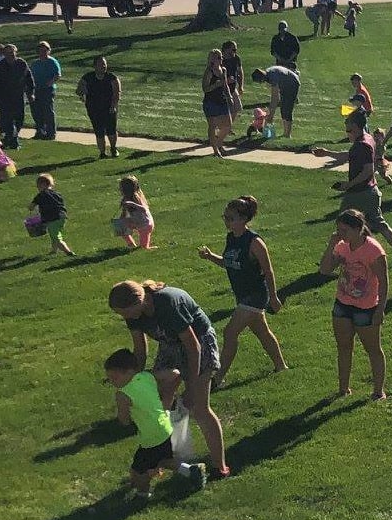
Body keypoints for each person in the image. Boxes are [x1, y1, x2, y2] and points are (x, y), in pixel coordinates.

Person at [108, 278, 229, 478]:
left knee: (199, 408)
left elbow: (193, 347)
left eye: (124, 312)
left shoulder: (168, 304)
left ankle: (220, 466)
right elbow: (139, 349)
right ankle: (162, 457)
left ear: (137, 302)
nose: (123, 317)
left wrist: (191, 386)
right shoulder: (133, 314)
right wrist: (134, 382)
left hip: (200, 344)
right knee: (156, 401)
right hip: (171, 344)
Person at [201, 195, 285, 381]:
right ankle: (281, 366)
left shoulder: (254, 242)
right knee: (262, 331)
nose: (226, 221)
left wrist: (273, 297)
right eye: (225, 217)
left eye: (230, 218)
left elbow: (268, 271)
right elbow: (228, 262)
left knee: (230, 332)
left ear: (243, 219)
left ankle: (218, 378)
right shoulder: (231, 238)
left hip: (255, 295)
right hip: (242, 295)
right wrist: (210, 256)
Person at [104, 347, 203, 498]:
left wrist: (126, 417)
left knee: (139, 470)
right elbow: (174, 373)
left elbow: (124, 420)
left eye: (114, 378)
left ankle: (143, 494)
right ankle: (190, 470)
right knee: (164, 459)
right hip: (165, 427)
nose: (112, 382)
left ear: (129, 372)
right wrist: (165, 395)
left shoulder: (123, 394)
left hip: (151, 438)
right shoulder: (146, 376)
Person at [320, 209, 389, 398]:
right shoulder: (341, 245)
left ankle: (378, 391)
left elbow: (384, 281)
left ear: (358, 229)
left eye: (344, 231)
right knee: (343, 347)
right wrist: (331, 245)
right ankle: (343, 389)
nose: (340, 234)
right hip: (342, 304)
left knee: (373, 349)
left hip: (366, 308)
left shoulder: (373, 251)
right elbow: (325, 270)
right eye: (338, 230)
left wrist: (380, 310)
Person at [339, 109, 392, 265]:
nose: (347, 130)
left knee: (343, 225)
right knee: (378, 225)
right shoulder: (367, 138)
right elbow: (350, 156)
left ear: (356, 126)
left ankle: (336, 259)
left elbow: (367, 170)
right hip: (370, 190)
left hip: (360, 193)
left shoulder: (362, 144)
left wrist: (348, 185)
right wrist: (327, 153)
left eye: (348, 126)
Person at [77, 55, 121, 157]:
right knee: (99, 130)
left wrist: (113, 105)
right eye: (101, 64)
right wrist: (82, 93)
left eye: (104, 64)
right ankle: (102, 152)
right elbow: (79, 89)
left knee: (111, 130)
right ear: (95, 66)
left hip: (109, 107)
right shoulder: (87, 77)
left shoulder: (112, 78)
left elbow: (117, 93)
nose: (103, 66)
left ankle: (113, 149)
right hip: (94, 108)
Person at [0, 43, 32, 148]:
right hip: (4, 96)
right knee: (8, 119)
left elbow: (29, 78)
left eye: (12, 52)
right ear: (4, 54)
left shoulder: (21, 63)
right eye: (8, 53)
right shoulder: (0, 66)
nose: (11, 55)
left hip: (18, 95)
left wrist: (31, 93)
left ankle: (11, 137)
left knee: (19, 118)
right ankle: (13, 139)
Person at [28, 172, 76, 257]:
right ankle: (54, 250)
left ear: (42, 185)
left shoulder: (40, 195)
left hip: (52, 219)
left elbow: (31, 207)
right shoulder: (57, 194)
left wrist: (31, 208)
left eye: (38, 186)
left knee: (57, 238)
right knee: (54, 234)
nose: (38, 188)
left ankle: (68, 252)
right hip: (62, 217)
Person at [252, 63, 301, 138]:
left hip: (292, 83)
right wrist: (271, 112)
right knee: (283, 109)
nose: (261, 83)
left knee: (287, 109)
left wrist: (271, 114)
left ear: (262, 78)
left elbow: (275, 98)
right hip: (285, 84)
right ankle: (285, 133)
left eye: (260, 81)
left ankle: (287, 134)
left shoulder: (273, 77)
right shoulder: (269, 73)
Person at [201, 48, 233, 156]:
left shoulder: (223, 70)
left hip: (222, 99)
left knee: (228, 125)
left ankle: (219, 143)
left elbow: (225, 85)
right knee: (212, 126)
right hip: (211, 101)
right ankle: (215, 150)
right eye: (218, 57)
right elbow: (205, 88)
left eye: (221, 57)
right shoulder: (209, 71)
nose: (221, 59)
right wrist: (216, 85)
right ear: (212, 59)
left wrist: (230, 97)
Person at [28, 40, 61, 140]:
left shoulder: (52, 61)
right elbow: (30, 76)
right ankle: (40, 131)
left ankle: (51, 133)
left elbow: (58, 75)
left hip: (47, 90)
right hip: (36, 90)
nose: (42, 52)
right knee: (36, 111)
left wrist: (50, 83)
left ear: (48, 51)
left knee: (48, 111)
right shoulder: (35, 63)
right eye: (40, 50)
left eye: (45, 50)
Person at [118, 175, 155, 250]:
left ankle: (150, 248)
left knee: (144, 247)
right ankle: (131, 244)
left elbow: (144, 209)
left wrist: (132, 204)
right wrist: (122, 220)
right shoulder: (125, 199)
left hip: (145, 224)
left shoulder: (136, 197)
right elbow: (124, 212)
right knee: (120, 227)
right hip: (137, 221)